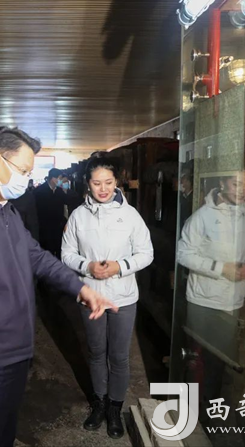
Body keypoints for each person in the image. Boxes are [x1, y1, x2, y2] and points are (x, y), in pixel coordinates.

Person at [0, 126, 117, 447]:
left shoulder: (5, 210)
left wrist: (81, 288)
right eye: (22, 170)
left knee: (4, 431)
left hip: (16, 349)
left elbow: (36, 256)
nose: (25, 178)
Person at [61, 157, 154, 439]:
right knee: (96, 352)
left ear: (117, 182)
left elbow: (146, 253)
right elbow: (66, 254)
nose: (103, 189)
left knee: (119, 356)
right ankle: (99, 403)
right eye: (96, 183)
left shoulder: (131, 215)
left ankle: (115, 407)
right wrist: (87, 266)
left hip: (122, 297)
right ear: (87, 184)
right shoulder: (78, 216)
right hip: (91, 296)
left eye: (108, 182)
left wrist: (120, 267)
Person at [177, 170, 245, 410]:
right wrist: (220, 268)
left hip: (232, 300)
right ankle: (191, 408)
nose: (242, 190)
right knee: (198, 358)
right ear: (222, 183)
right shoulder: (202, 217)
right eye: (236, 184)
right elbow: (183, 254)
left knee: (219, 360)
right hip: (203, 299)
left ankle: (210, 408)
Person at [33, 168, 67, 257]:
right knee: (48, 252)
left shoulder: (59, 191)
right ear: (53, 179)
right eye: (59, 178)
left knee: (59, 251)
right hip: (45, 229)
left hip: (58, 227)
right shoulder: (39, 192)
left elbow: (67, 201)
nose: (61, 181)